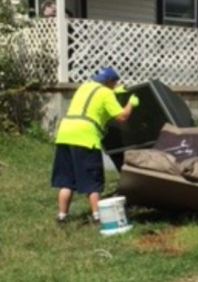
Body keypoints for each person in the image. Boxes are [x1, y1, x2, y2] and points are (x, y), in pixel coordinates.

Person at [51, 67, 139, 224]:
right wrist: (131, 103)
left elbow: (93, 102)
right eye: (114, 83)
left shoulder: (84, 87)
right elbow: (122, 116)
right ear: (109, 82)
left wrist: (115, 92)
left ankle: (62, 216)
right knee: (92, 180)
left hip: (64, 133)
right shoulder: (106, 93)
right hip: (85, 136)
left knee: (66, 180)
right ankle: (97, 216)